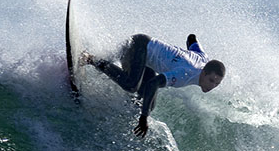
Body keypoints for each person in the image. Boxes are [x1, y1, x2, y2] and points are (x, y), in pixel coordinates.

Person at [82, 33, 224, 138]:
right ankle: (91, 59)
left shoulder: (204, 59)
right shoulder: (185, 74)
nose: (212, 86)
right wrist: (144, 117)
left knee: (148, 105)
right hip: (138, 46)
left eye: (217, 83)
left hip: (145, 58)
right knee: (132, 85)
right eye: (211, 80)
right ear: (204, 73)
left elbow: (192, 39)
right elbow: (153, 83)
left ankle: (112, 103)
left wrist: (185, 51)